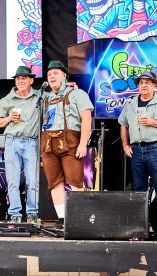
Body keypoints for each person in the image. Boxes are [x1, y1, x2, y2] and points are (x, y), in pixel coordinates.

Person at [41, 60, 94, 229]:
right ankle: (63, 221)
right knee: (54, 183)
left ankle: (78, 220)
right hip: (48, 143)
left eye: (55, 73)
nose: (52, 77)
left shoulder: (77, 94)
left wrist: (82, 144)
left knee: (75, 182)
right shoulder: (45, 97)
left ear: (64, 76)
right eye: (49, 74)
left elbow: (86, 118)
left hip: (71, 141)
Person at [118, 71, 157, 193]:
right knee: (139, 187)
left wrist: (153, 122)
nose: (144, 85)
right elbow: (123, 124)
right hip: (137, 150)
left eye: (147, 82)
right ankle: (142, 213)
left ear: (154, 86)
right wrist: (125, 145)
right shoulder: (130, 104)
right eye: (141, 83)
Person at [0, 66, 41, 224]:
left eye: (24, 79)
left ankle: (32, 214)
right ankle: (15, 214)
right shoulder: (6, 100)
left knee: (32, 181)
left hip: (31, 142)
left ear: (31, 80)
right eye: (18, 79)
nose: (20, 81)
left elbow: (57, 95)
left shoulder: (39, 96)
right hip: (12, 142)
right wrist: (8, 118)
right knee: (13, 181)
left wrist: (68, 86)